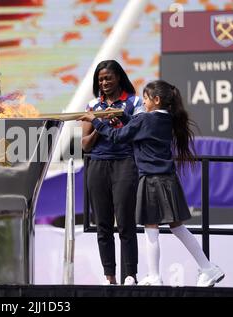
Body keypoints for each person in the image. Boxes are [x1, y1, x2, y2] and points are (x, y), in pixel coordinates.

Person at [78, 79, 225, 287]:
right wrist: (122, 116)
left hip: (152, 180)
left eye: (146, 98)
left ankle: (156, 276)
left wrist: (96, 120)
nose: (143, 102)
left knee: (151, 229)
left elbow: (116, 136)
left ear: (156, 100)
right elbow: (137, 126)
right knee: (177, 228)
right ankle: (208, 268)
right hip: (167, 180)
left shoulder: (145, 120)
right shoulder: (165, 119)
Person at [81, 60, 144, 285]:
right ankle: (110, 277)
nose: (104, 82)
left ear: (119, 77)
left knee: (126, 222)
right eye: (100, 79)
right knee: (103, 225)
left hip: (125, 163)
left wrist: (112, 121)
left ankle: (130, 275)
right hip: (97, 165)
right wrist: (100, 123)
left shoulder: (134, 102)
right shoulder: (92, 106)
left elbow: (137, 133)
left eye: (108, 77)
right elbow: (85, 145)